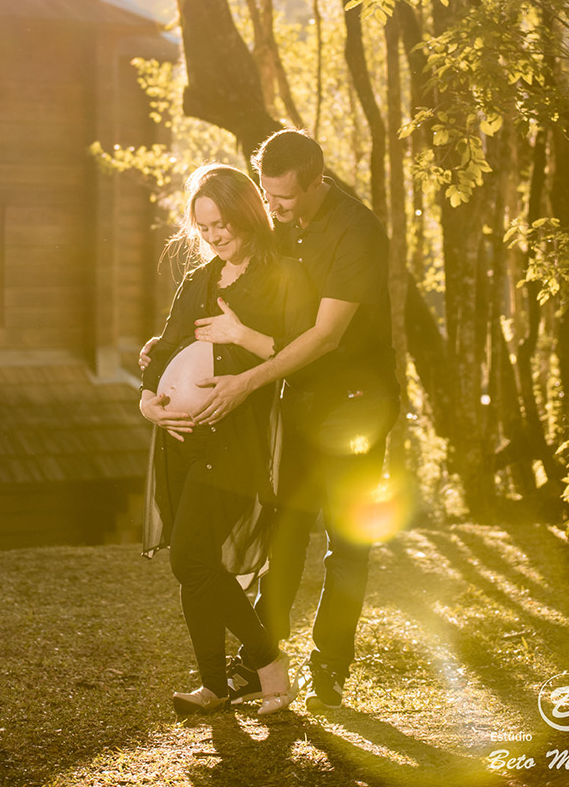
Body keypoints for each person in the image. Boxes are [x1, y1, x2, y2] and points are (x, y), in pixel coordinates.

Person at [192, 130, 399, 708]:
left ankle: (329, 668)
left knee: (347, 541)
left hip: (355, 403)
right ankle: (257, 659)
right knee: (283, 532)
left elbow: (326, 336)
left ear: (315, 182)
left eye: (283, 197)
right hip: (297, 400)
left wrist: (247, 377)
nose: (273, 206)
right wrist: (170, 347)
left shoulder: (357, 231)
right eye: (267, 193)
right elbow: (240, 293)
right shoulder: (277, 222)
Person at [140, 163, 316, 718]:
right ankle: (214, 685)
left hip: (239, 439)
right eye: (204, 227)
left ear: (247, 215)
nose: (214, 236)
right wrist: (146, 400)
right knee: (194, 562)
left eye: (222, 224)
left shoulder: (283, 275)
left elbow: (303, 354)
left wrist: (240, 333)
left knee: (191, 558)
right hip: (183, 436)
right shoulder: (198, 281)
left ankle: (268, 663)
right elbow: (165, 349)